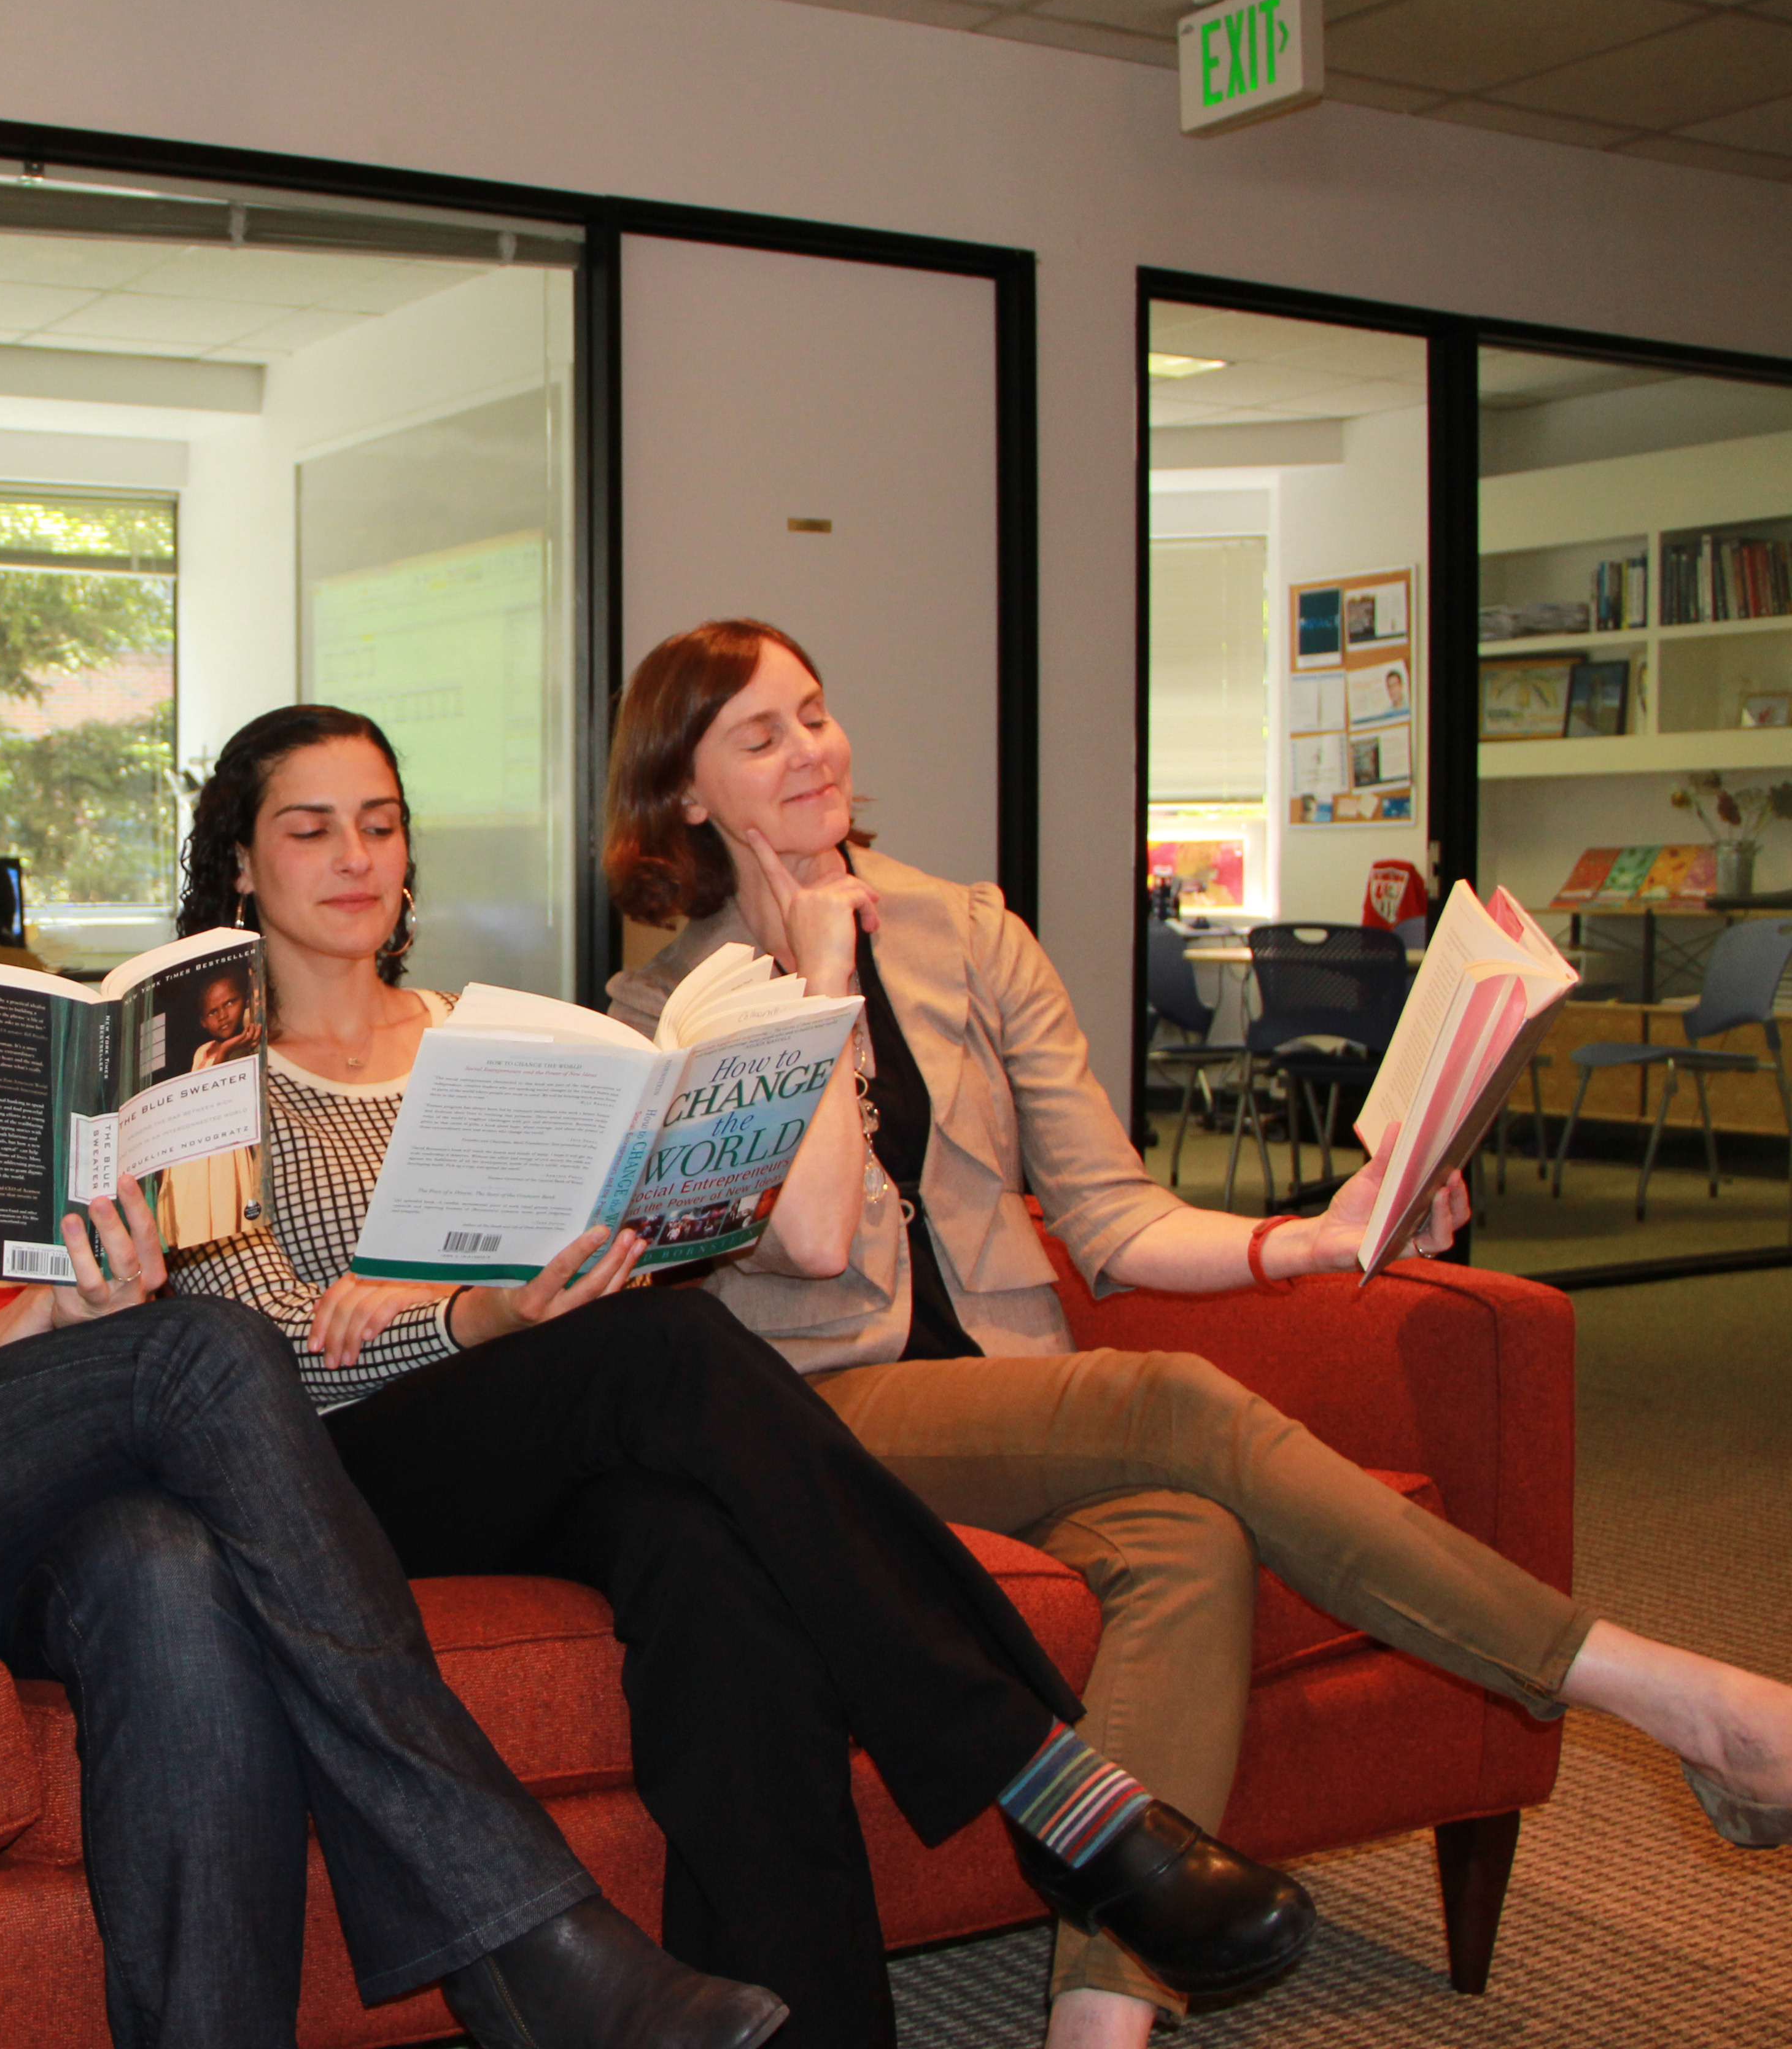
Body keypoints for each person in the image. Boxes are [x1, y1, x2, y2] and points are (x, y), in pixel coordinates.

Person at [602, 617, 1792, 2048]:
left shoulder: (969, 928)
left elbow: (1108, 1215)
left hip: (1016, 1395)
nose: (811, 751)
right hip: (822, 1420)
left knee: (1187, 1537)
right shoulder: (671, 1002)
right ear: (682, 792)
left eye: (816, 711)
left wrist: (1325, 1235)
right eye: (759, 734)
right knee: (1168, 1396)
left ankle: (1096, 2029)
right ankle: (1662, 1691)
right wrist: (815, 989)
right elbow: (797, 1241)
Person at [163, 704, 1321, 2049]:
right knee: (662, 1353)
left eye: (381, 823)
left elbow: (601, 1271)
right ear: (242, 863)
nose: (356, 856)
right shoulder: (213, 1080)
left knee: (706, 1556)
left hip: (560, 1431)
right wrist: (469, 1315)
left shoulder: (496, 1043)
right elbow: (256, 1350)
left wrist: (616, 1242)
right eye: (311, 830)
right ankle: (1046, 1778)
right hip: (346, 1476)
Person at [0, 657, 789, 2049]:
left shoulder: (76, 1033)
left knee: (166, 1566)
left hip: (56, 1496)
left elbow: (173, 1278)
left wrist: (111, 1288)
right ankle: (518, 1923)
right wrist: (22, 1330)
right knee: (200, 1351)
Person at [190, 967, 263, 1066]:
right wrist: (224, 1051)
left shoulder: (249, 1046)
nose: (222, 1016)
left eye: (230, 1003)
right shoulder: (202, 1051)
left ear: (247, 1001)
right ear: (204, 1022)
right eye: (213, 1012)